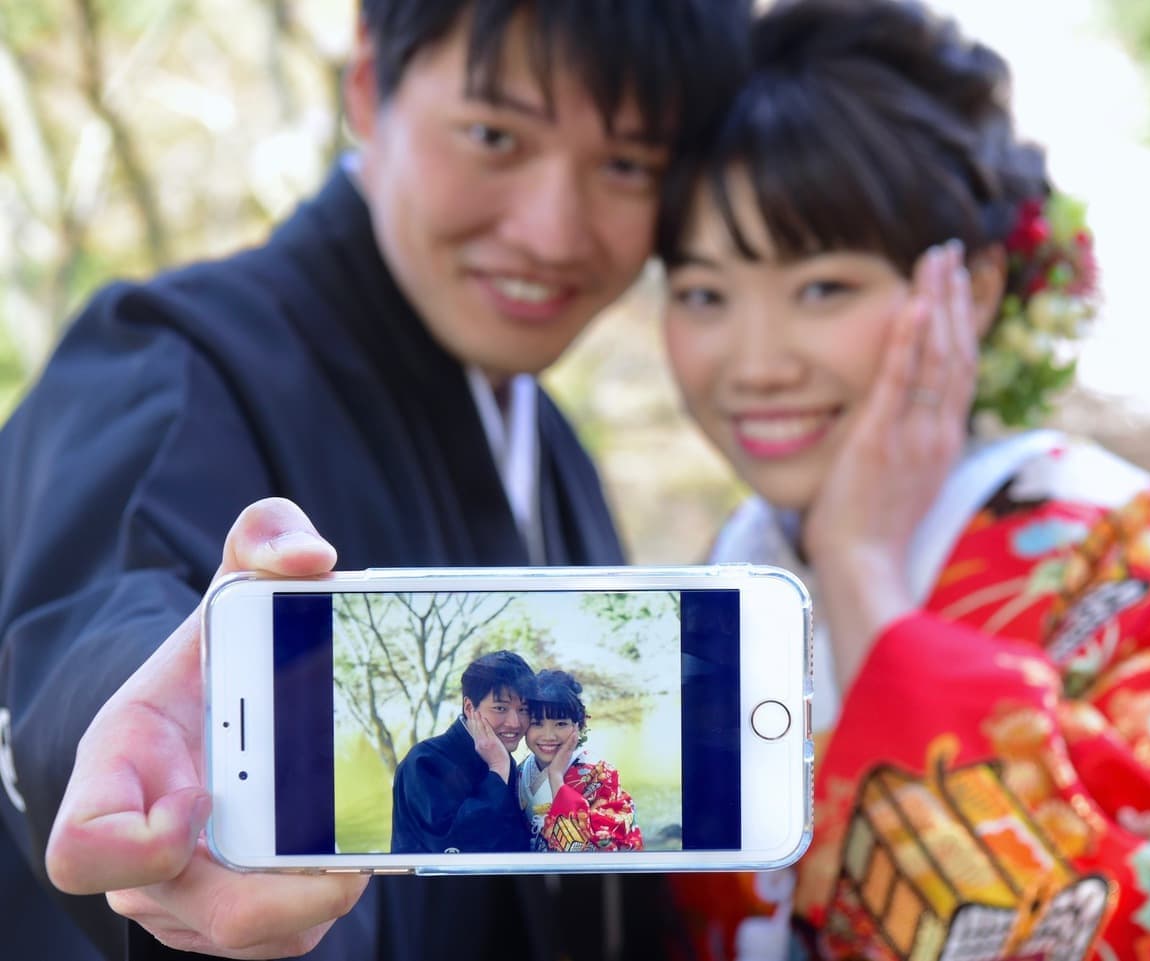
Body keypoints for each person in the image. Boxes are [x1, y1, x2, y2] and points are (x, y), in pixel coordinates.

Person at [654, 1, 1150, 959]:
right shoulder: (727, 570)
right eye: (702, 294)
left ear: (967, 287)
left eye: (823, 288)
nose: (754, 361)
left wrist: (865, 581)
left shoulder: (1147, 556)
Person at [0, 1, 749, 958]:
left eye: (627, 164)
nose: (554, 230)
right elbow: (102, 616)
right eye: (494, 135)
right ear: (368, 85)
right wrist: (159, 766)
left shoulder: (550, 444)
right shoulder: (173, 361)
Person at [391, 652, 535, 854]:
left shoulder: (502, 759)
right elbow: (454, 849)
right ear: (469, 707)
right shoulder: (423, 762)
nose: (515, 723)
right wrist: (497, 770)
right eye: (500, 708)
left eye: (523, 710)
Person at [516, 670, 642, 853]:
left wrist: (557, 780)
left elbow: (597, 853)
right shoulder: (522, 771)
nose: (548, 736)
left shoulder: (600, 774)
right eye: (537, 723)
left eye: (560, 724)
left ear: (579, 725)